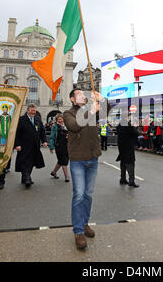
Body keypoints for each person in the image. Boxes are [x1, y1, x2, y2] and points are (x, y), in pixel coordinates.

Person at [63, 88, 109, 250]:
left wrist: (101, 99)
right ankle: (78, 231)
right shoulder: (68, 114)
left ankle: (84, 223)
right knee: (79, 194)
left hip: (92, 158)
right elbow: (75, 126)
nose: (83, 96)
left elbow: (105, 111)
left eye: (84, 94)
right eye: (79, 94)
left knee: (88, 195)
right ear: (72, 100)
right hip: (78, 160)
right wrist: (91, 109)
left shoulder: (91, 110)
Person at [15, 104, 48, 189]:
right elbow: (17, 133)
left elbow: (42, 131)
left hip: (35, 145)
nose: (33, 112)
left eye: (34, 111)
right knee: (25, 162)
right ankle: (27, 178)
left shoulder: (38, 119)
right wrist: (17, 144)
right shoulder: (21, 120)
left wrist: (44, 141)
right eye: (32, 110)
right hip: (24, 146)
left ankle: (25, 176)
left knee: (32, 162)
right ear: (27, 110)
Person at [116, 112, 140, 187]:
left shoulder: (119, 125)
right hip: (128, 146)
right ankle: (131, 181)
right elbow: (136, 133)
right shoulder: (128, 125)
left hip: (121, 146)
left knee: (123, 162)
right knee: (130, 163)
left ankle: (123, 179)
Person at [49, 114, 70, 182]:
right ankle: (66, 176)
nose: (60, 120)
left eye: (61, 119)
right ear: (57, 120)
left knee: (62, 160)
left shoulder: (66, 126)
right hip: (59, 146)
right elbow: (52, 137)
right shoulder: (54, 127)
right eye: (59, 119)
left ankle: (54, 172)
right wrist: (51, 147)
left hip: (67, 145)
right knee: (63, 161)